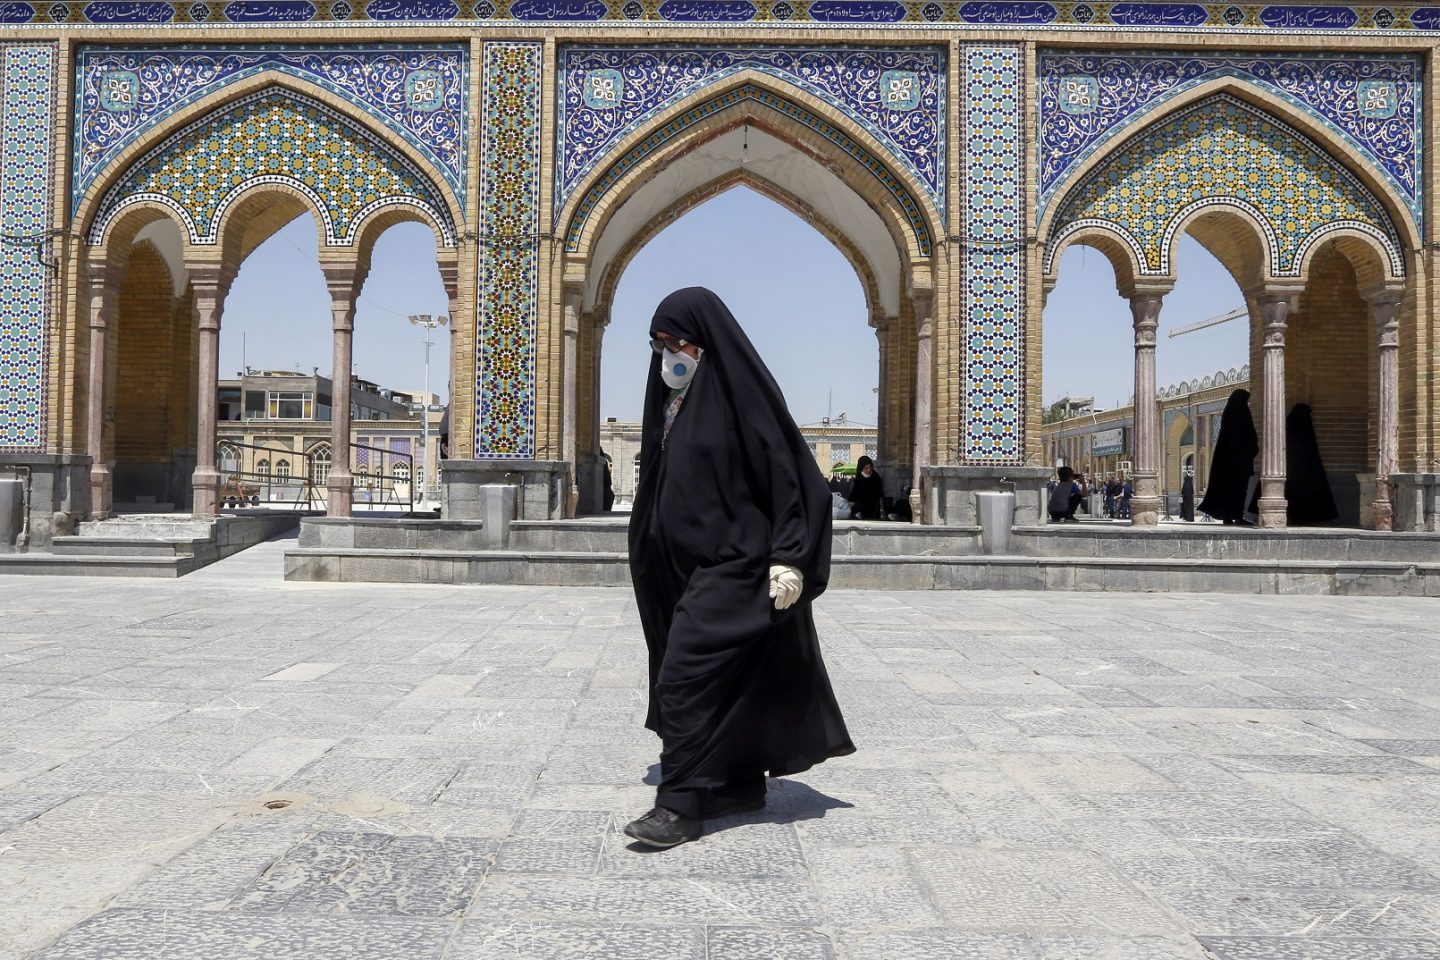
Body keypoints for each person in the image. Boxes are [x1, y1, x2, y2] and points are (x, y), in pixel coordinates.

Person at [625, 287, 855, 849]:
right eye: (658, 345)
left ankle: (677, 804)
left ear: (703, 342)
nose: (667, 356)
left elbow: (795, 480)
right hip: (683, 570)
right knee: (736, 676)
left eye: (675, 343)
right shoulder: (673, 405)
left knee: (683, 677)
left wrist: (791, 557)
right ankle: (737, 782)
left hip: (738, 568)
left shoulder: (743, 401)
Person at [1199, 389, 1259, 525]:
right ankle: (1237, 516)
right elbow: (1250, 436)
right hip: (1240, 462)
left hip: (1225, 462)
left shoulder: (1228, 414)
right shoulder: (1243, 413)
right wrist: (1250, 451)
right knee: (1239, 490)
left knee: (1227, 490)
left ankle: (1227, 516)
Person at [1285, 403, 1338, 525]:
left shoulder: (1290, 423)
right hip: (1306, 470)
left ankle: (1294, 517)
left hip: (1290, 468)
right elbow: (1310, 448)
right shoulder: (1304, 425)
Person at [847, 456, 884, 520]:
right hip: (859, 510)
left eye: (870, 468)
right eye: (866, 468)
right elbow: (854, 493)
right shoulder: (859, 478)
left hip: (873, 510)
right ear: (861, 468)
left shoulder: (875, 477)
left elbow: (878, 494)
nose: (869, 470)